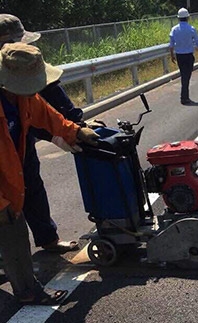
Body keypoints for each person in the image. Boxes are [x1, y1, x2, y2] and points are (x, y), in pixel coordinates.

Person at [0, 42, 99, 304]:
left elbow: (50, 117)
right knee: (12, 229)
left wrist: (76, 132)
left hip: (7, 173)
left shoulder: (22, 97)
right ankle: (27, 291)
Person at [0, 14, 84, 253]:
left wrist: (76, 129)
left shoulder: (20, 76)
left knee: (31, 184)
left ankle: (48, 239)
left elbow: (46, 112)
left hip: (17, 138)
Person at [169, 8, 198, 105]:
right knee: (186, 77)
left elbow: (171, 45)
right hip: (188, 56)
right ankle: (184, 98)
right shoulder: (191, 29)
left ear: (179, 18)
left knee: (184, 75)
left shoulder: (174, 29)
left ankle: (185, 97)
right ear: (188, 17)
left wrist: (172, 55)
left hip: (179, 56)